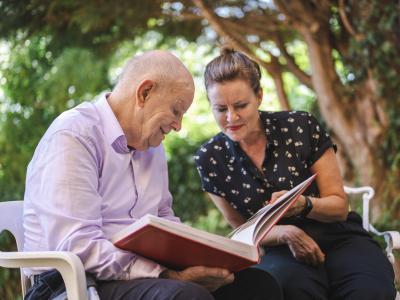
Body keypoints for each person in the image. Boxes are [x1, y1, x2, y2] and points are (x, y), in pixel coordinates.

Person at [23, 50, 282, 300]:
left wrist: (204, 259)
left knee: (258, 286)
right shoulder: (74, 135)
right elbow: (77, 246)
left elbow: (164, 219)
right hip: (73, 283)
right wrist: (166, 274)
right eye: (176, 110)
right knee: (186, 295)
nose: (178, 126)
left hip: (138, 277)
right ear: (144, 93)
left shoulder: (151, 146)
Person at [194, 48, 396, 300]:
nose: (231, 117)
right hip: (281, 251)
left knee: (369, 291)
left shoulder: (299, 126)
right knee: (289, 289)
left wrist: (303, 205)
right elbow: (241, 229)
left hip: (341, 237)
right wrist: (286, 233)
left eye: (241, 105)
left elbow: (339, 207)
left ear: (259, 96)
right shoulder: (209, 158)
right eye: (220, 109)